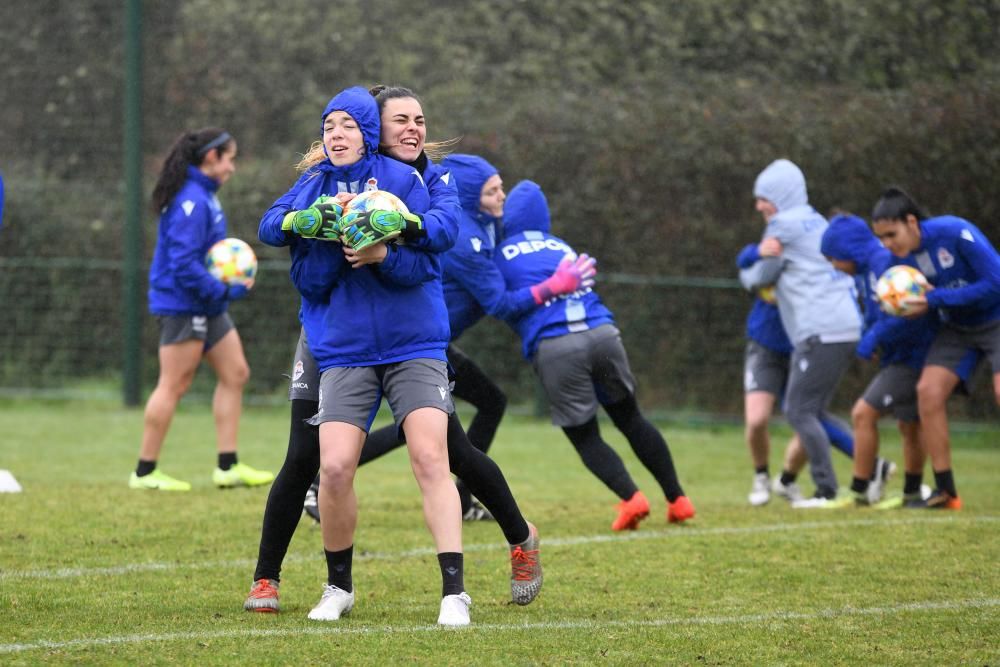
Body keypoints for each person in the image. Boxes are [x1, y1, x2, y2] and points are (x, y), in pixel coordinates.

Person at [247, 85, 543, 616]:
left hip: (409, 335)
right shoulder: (323, 180)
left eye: (419, 120)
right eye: (399, 120)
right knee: (305, 457)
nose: (413, 130)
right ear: (373, 130)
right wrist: (317, 224)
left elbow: (438, 238)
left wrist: (389, 239)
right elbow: (290, 246)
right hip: (330, 335)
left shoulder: (425, 179)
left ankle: (519, 539)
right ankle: (268, 580)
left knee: (448, 453)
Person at [496, 179, 695, 529]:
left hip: (556, 344)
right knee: (631, 418)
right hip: (602, 333)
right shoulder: (562, 246)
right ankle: (678, 498)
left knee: (585, 435)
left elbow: (501, 303)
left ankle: (631, 498)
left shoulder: (499, 253)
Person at [129, 128, 273, 492]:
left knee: (236, 372)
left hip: (206, 304)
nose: (233, 168)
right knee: (174, 383)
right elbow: (184, 264)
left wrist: (221, 290)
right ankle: (144, 472)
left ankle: (227, 466)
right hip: (183, 303)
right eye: (230, 159)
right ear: (211, 158)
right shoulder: (190, 201)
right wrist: (224, 289)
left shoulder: (206, 196)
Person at [739, 159, 862, 507]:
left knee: (799, 411)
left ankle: (827, 490)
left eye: (765, 197)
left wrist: (745, 275)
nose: (760, 206)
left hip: (819, 330)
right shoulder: (816, 220)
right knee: (810, 410)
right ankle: (867, 476)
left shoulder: (782, 225)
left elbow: (761, 276)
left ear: (782, 195)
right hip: (841, 325)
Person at [870, 186, 1000, 510]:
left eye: (891, 234)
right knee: (927, 392)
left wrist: (934, 299)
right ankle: (946, 492)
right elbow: (909, 302)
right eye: (881, 238)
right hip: (958, 328)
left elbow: (995, 282)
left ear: (911, 222)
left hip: (997, 319)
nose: (887, 244)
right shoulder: (897, 261)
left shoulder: (955, 232)